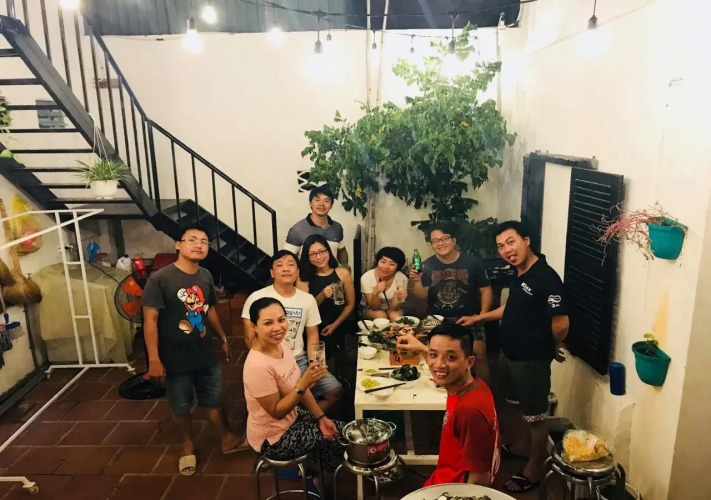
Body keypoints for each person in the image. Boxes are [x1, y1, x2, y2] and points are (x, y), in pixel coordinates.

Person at [142, 225, 248, 477]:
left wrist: (223, 337)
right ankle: (187, 446)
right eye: (192, 240)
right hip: (174, 358)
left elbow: (208, 309)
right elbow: (150, 320)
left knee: (215, 399)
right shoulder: (160, 278)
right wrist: (154, 359)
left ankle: (227, 439)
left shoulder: (205, 275)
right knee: (181, 406)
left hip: (205, 353)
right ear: (178, 245)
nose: (199, 244)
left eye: (204, 241)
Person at [472, 221, 569, 494]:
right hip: (510, 353)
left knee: (536, 416)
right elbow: (511, 308)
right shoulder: (520, 272)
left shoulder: (546, 277)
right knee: (517, 407)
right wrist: (479, 318)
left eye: (511, 242)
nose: (506, 250)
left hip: (530, 359)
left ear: (526, 240)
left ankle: (535, 467)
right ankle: (523, 447)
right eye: (501, 246)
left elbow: (561, 322)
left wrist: (551, 346)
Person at [243, 297, 344, 477]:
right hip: (273, 439)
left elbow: (300, 387)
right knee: (337, 439)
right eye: (268, 323)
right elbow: (277, 412)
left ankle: (322, 476)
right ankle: (327, 477)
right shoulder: (257, 366)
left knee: (338, 431)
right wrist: (303, 384)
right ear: (254, 326)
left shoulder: (281, 344)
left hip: (292, 419)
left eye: (281, 320)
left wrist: (321, 417)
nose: (277, 328)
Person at [396, 324, 500, 486]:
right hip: (443, 477)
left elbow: (480, 477)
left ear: (469, 362)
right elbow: (441, 365)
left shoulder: (467, 411)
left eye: (451, 358)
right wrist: (421, 348)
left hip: (452, 488)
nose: (439, 365)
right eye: (433, 355)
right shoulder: (476, 385)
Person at [242, 250, 343, 414]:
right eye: (279, 265)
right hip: (270, 360)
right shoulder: (256, 298)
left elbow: (312, 336)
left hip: (299, 358)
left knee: (335, 391)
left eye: (291, 265)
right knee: (286, 399)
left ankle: (303, 420)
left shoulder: (307, 299)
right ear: (272, 272)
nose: (286, 269)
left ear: (297, 271)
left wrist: (313, 366)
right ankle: (294, 418)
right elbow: (250, 340)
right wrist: (276, 366)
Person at [409, 222, 493, 383]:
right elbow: (421, 296)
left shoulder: (473, 263)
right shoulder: (427, 265)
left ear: (453, 240)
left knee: (479, 353)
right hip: (437, 319)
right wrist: (417, 281)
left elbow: (486, 290)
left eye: (444, 238)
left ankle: (485, 391)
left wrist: (481, 316)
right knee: (435, 355)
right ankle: (442, 389)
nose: (440, 243)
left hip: (468, 317)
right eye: (435, 241)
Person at [296, 234, 355, 359]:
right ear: (307, 257)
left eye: (322, 251)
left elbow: (350, 304)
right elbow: (305, 311)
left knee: (337, 351)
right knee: (319, 356)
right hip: (313, 327)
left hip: (338, 323)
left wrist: (335, 325)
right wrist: (322, 295)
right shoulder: (303, 279)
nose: (319, 257)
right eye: (312, 254)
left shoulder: (343, 273)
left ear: (328, 251)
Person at [284, 185, 349, 266]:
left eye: (326, 201)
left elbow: (341, 251)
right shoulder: (297, 230)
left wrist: (344, 267)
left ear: (331, 205)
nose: (321, 204)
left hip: (332, 273)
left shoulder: (337, 227)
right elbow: (287, 258)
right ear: (310, 203)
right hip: (308, 274)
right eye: (317, 200)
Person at [360, 247, 408, 321]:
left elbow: (393, 308)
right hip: (370, 308)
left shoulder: (402, 279)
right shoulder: (366, 277)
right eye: (383, 262)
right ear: (378, 262)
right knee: (381, 315)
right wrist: (375, 293)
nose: (385, 267)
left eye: (391, 264)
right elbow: (374, 307)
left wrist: (398, 298)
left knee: (395, 316)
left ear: (398, 267)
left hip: (391, 309)